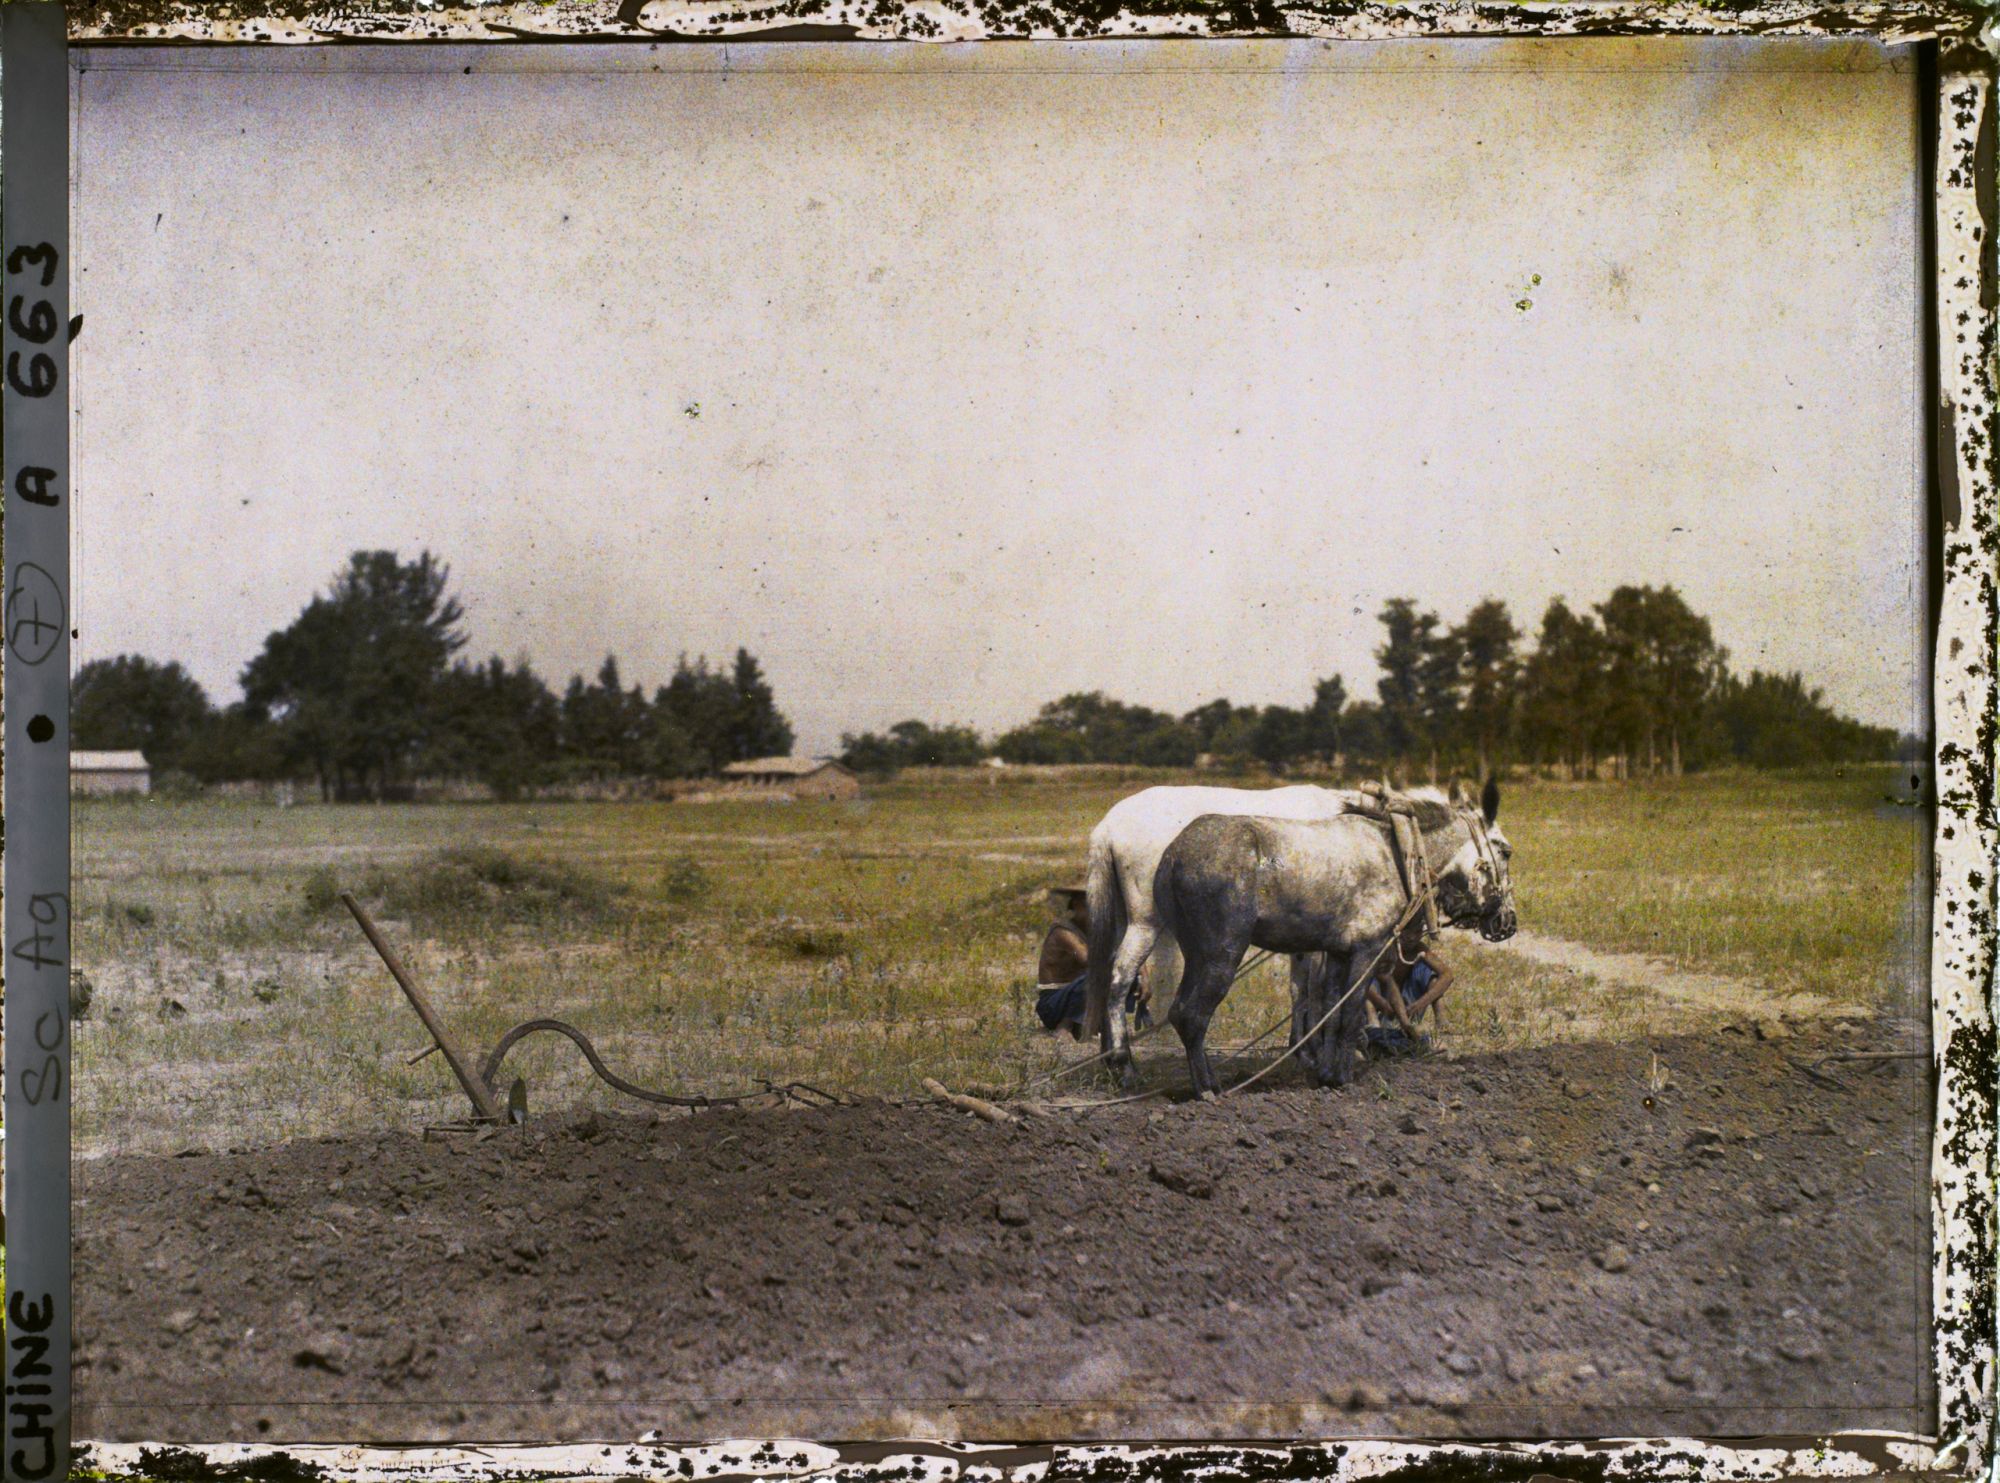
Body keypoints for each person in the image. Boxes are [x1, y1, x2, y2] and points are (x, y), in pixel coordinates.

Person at [1034, 887, 1092, 1039]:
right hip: (1053, 1003)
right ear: (1078, 904)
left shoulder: (1090, 930)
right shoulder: (1064, 931)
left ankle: (1081, 1023)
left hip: (1074, 998)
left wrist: (1142, 974)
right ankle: (1065, 1025)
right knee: (1097, 976)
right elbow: (1087, 959)